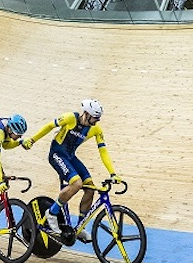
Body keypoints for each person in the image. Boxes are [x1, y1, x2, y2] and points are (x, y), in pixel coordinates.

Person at [20, 99, 121, 242]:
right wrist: (32, 140)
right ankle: (52, 213)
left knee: (90, 188)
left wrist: (113, 173)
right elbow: (49, 126)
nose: (97, 122)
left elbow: (103, 151)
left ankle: (80, 227)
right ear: (86, 114)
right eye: (95, 118)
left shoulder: (95, 130)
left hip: (70, 156)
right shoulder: (70, 118)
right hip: (57, 154)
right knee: (77, 183)